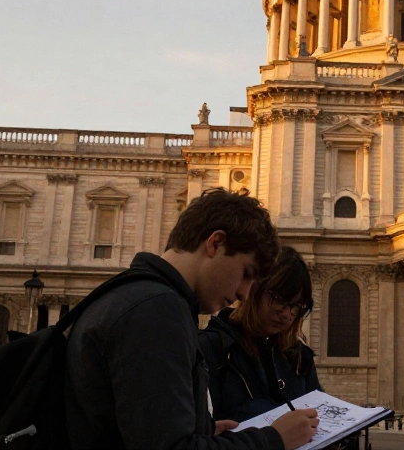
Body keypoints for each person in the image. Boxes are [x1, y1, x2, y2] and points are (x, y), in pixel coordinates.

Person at [64, 188, 319, 450]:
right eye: (246, 273)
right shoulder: (157, 312)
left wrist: (203, 430)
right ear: (215, 243)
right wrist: (272, 440)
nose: (244, 293)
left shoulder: (134, 296)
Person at [200, 246, 322, 423]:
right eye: (280, 300)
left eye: (296, 307)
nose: (287, 314)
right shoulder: (212, 348)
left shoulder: (299, 357)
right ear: (254, 289)